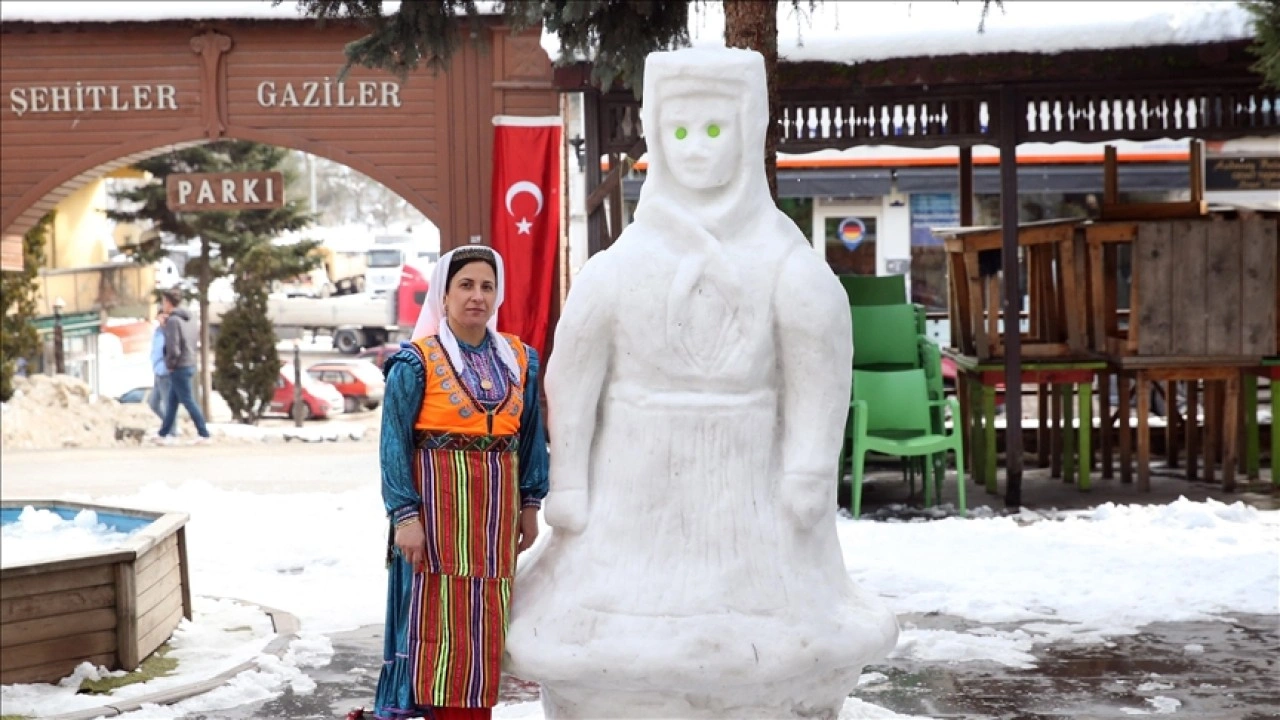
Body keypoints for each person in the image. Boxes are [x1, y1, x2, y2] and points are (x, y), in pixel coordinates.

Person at [370, 245, 548, 720]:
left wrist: (530, 505)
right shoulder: (415, 364)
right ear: (443, 295)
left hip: (493, 528)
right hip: (435, 525)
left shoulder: (520, 360)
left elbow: (530, 438)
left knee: (484, 631)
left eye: (487, 286)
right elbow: (393, 446)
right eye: (465, 285)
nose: (477, 296)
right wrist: (405, 517)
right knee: (436, 633)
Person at [155, 288, 211, 444]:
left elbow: (174, 347)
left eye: (163, 302)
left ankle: (204, 433)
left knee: (188, 400)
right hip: (190, 361)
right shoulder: (190, 318)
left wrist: (170, 364)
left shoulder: (173, 321)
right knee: (172, 402)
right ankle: (164, 433)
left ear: (168, 302)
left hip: (179, 365)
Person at [147, 307, 170, 422]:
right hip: (157, 370)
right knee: (153, 403)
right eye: (160, 316)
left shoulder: (170, 331)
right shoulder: (158, 331)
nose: (162, 319)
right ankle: (168, 424)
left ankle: (172, 431)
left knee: (167, 403)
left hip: (166, 371)